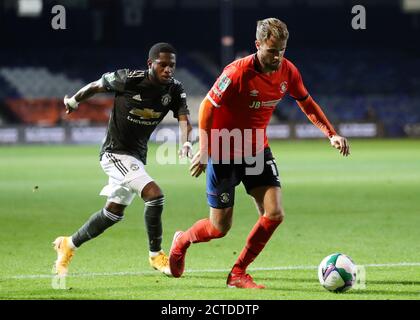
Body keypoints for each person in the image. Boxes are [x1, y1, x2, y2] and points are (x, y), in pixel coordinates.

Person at [169, 18, 350, 288]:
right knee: (219, 228)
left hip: (256, 151)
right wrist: (205, 149)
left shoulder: (288, 71)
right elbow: (207, 106)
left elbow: (307, 103)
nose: (277, 57)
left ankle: (238, 272)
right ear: (258, 45)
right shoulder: (237, 72)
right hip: (224, 151)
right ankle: (181, 241)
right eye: (271, 50)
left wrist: (331, 133)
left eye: (282, 50)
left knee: (274, 213)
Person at [53, 42, 193, 277]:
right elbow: (96, 86)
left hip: (136, 156)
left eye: (172, 65)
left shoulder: (174, 89)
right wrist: (74, 101)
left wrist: (186, 142)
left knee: (113, 213)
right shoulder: (128, 79)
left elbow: (184, 118)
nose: (168, 69)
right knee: (154, 195)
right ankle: (156, 256)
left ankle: (68, 244)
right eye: (163, 65)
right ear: (151, 64)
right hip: (114, 153)